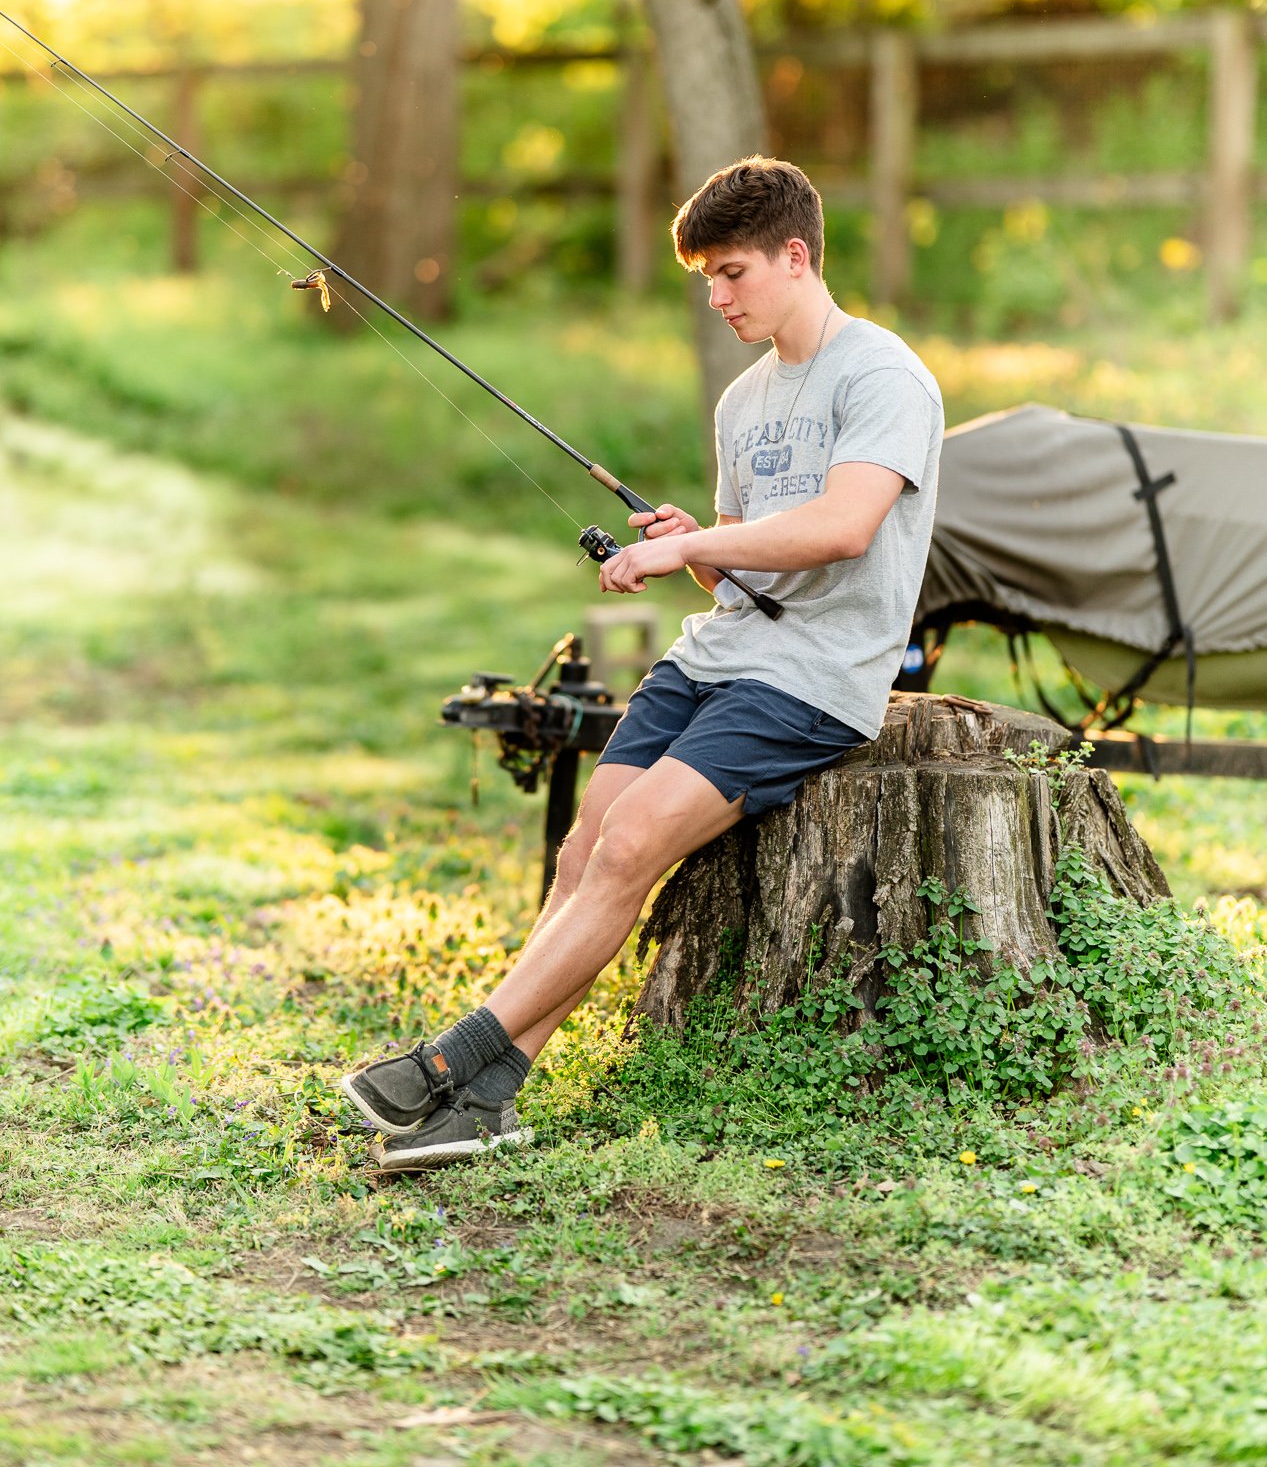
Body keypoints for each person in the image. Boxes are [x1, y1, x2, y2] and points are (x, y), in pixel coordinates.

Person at [339, 155, 944, 1171]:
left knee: (631, 848)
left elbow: (841, 528)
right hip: (720, 652)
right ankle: (490, 1100)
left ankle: (453, 1061)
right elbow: (740, 568)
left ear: (795, 256)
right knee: (585, 852)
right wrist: (696, 541)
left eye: (733, 272)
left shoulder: (882, 375)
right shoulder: (743, 401)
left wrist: (694, 543)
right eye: (705, 276)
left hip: (814, 677)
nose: (716, 296)